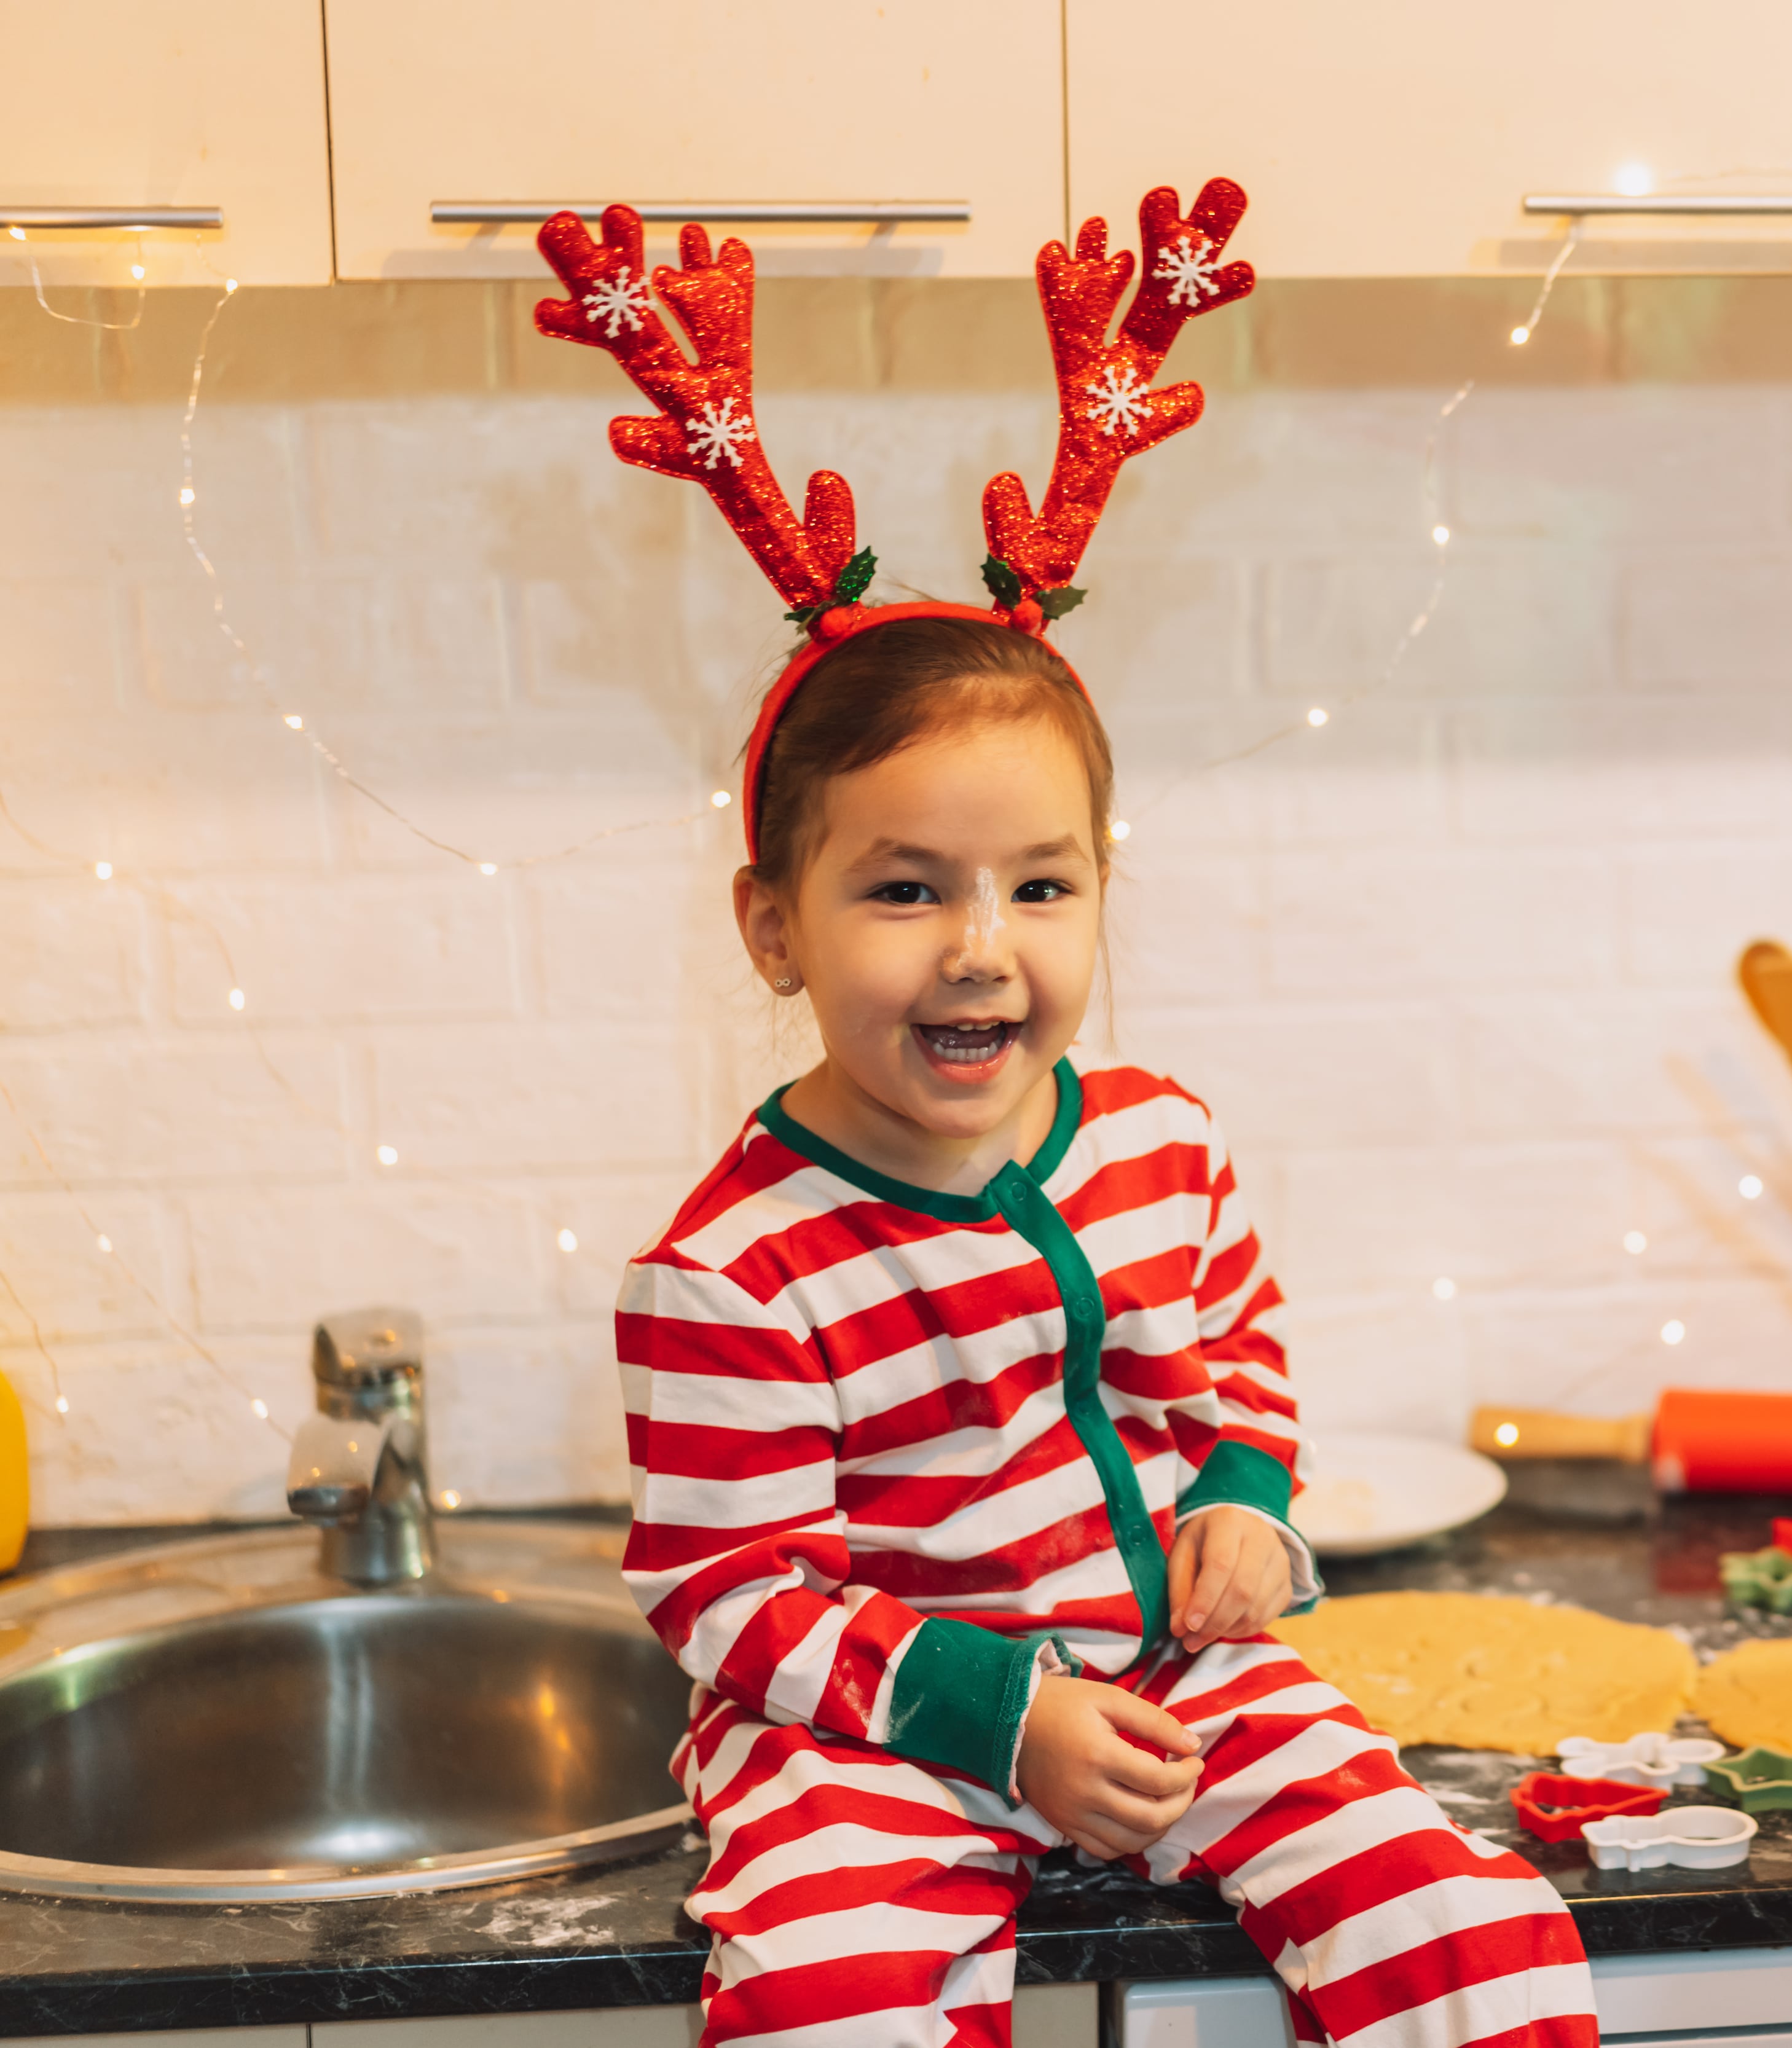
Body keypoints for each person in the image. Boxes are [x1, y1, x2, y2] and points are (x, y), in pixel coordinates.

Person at [554, 190, 1598, 2048]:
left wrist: (1248, 1497)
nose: (982, 947)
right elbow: (730, 1593)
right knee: (827, 1997)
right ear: (773, 925)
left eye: (1041, 886)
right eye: (904, 890)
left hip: (1172, 1678)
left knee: (1466, 1918)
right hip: (870, 1733)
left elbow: (1239, 1350)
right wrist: (999, 1714)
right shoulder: (730, 1273)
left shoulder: (1156, 1142)